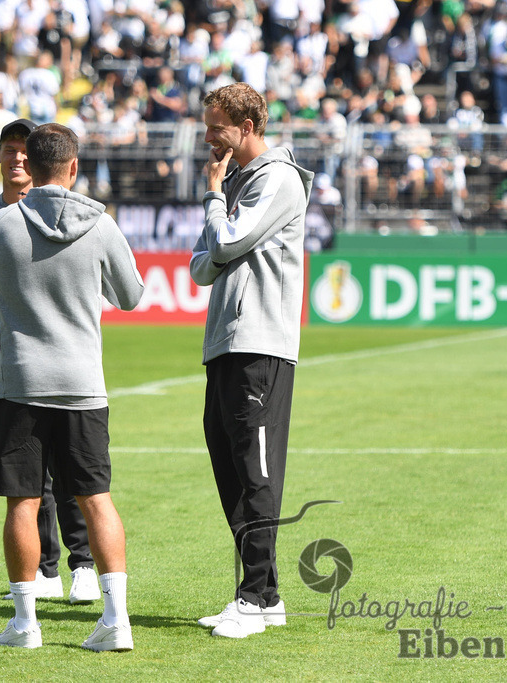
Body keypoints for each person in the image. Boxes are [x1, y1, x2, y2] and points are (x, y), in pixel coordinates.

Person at [0, 123, 144, 651]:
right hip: (84, 384)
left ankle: (25, 623)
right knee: (97, 499)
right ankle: (116, 620)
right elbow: (130, 296)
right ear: (72, 167)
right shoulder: (100, 225)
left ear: (30, 166)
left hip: (18, 382)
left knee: (22, 503)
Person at [0, 118, 101, 605]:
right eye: (9, 150)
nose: (17, 158)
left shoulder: (78, 213)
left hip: (64, 349)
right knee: (29, 473)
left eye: (24, 151)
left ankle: (82, 563)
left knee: (70, 469)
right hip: (12, 350)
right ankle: (44, 567)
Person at [189, 83, 313, 639]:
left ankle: (257, 598)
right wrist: (220, 212)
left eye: (217, 127)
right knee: (231, 470)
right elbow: (201, 264)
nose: (209, 137)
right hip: (226, 341)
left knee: (257, 474)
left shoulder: (279, 179)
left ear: (246, 125)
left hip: (259, 341)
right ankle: (260, 593)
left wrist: (215, 198)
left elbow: (227, 242)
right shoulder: (239, 182)